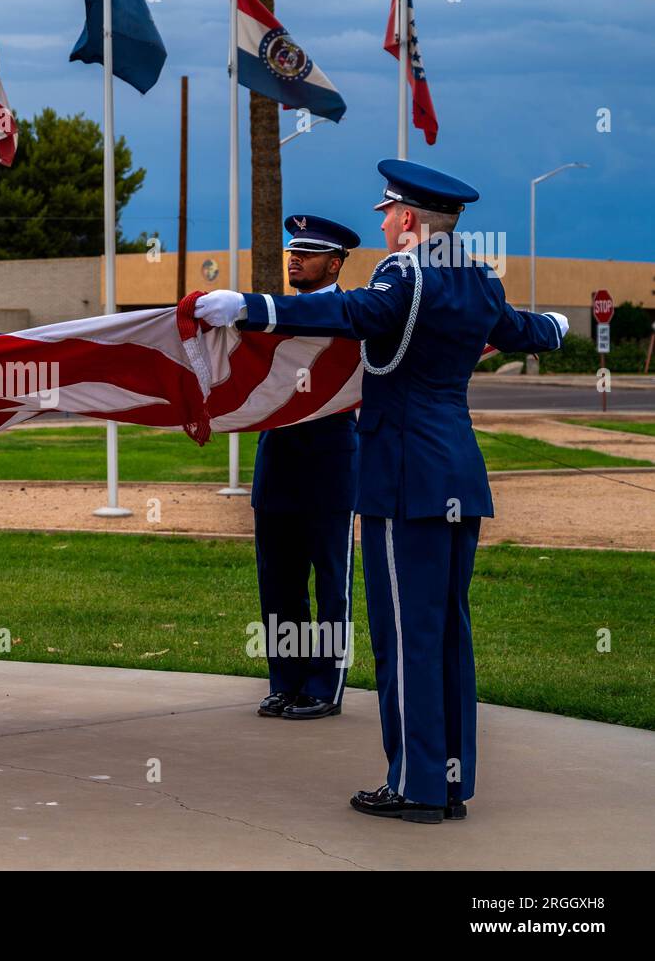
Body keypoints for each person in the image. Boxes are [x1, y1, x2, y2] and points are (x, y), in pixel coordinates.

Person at [195, 160, 568, 823]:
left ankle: (415, 784)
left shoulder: (407, 273)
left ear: (410, 220)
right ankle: (451, 777)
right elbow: (518, 329)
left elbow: (351, 310)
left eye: (389, 213)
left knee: (405, 637)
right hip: (458, 474)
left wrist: (253, 307)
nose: (385, 222)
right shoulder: (479, 279)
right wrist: (559, 329)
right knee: (450, 632)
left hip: (404, 478)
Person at [252, 215, 360, 722]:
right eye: (293, 251)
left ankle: (324, 685)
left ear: (335, 263)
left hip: (329, 465)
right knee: (279, 582)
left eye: (309, 253)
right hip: (278, 461)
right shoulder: (274, 316)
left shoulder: (353, 311)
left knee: (329, 582)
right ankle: (286, 680)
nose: (294, 258)